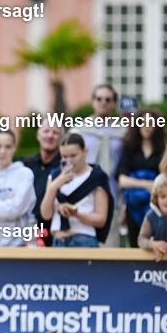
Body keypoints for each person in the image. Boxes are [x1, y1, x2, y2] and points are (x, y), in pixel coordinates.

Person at [72, 84, 125, 247]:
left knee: (110, 253)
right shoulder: (79, 131)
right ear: (92, 102)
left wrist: (124, 205)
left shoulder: (124, 133)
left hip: (113, 198)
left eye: (108, 99)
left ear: (114, 104)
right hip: (84, 200)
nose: (103, 102)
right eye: (99, 99)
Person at [40, 133, 113, 248]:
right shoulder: (55, 175)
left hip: (84, 240)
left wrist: (76, 214)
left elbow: (101, 219)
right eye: (64, 156)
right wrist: (54, 187)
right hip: (58, 240)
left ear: (85, 152)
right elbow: (46, 214)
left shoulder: (97, 176)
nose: (69, 160)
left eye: (73, 156)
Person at [116, 109, 165, 249]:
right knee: (135, 244)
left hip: (157, 207)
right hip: (133, 207)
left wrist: (138, 183)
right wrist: (148, 184)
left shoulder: (163, 151)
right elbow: (122, 181)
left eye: (150, 123)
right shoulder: (130, 150)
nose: (146, 127)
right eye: (142, 123)